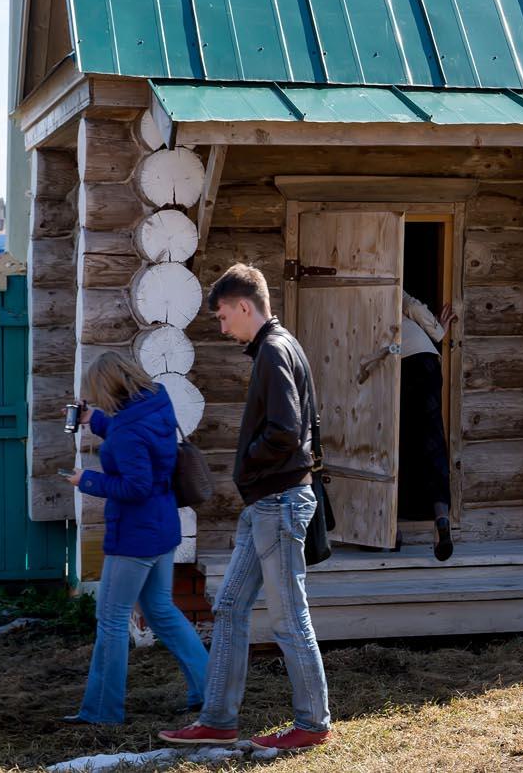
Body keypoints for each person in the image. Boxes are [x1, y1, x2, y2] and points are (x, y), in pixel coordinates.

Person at [160, 264, 331, 752]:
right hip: (268, 503)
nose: (222, 326)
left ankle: (312, 724)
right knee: (231, 605)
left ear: (244, 305)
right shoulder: (280, 346)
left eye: (221, 316)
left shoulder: (274, 351)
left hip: (277, 501)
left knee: (289, 617)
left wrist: (249, 466)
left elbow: (286, 429)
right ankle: (217, 719)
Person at [64, 352, 209, 725]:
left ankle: (101, 711)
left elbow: (135, 483)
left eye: (97, 396)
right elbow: (135, 438)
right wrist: (94, 420)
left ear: (109, 387)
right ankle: (211, 690)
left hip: (134, 536)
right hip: (163, 526)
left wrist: (89, 481)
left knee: (111, 620)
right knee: (162, 611)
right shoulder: (157, 401)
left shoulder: (128, 430)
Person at [397, 292, 456, 560]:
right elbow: (414, 307)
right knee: (431, 440)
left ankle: (388, 529)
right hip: (424, 359)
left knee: (395, 442)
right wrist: (438, 331)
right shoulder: (389, 277)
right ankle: (441, 516)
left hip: (392, 363)